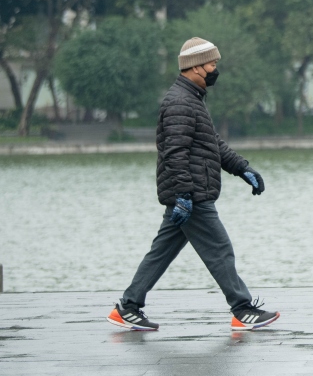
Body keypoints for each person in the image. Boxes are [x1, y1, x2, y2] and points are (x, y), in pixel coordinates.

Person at [107, 37, 278, 332]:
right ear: (195, 67)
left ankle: (129, 306)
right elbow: (174, 153)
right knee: (220, 248)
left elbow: (213, 145)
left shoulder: (191, 100)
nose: (215, 70)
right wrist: (185, 194)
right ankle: (242, 309)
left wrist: (242, 168)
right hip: (192, 194)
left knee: (162, 251)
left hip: (188, 192)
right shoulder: (180, 103)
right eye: (212, 64)